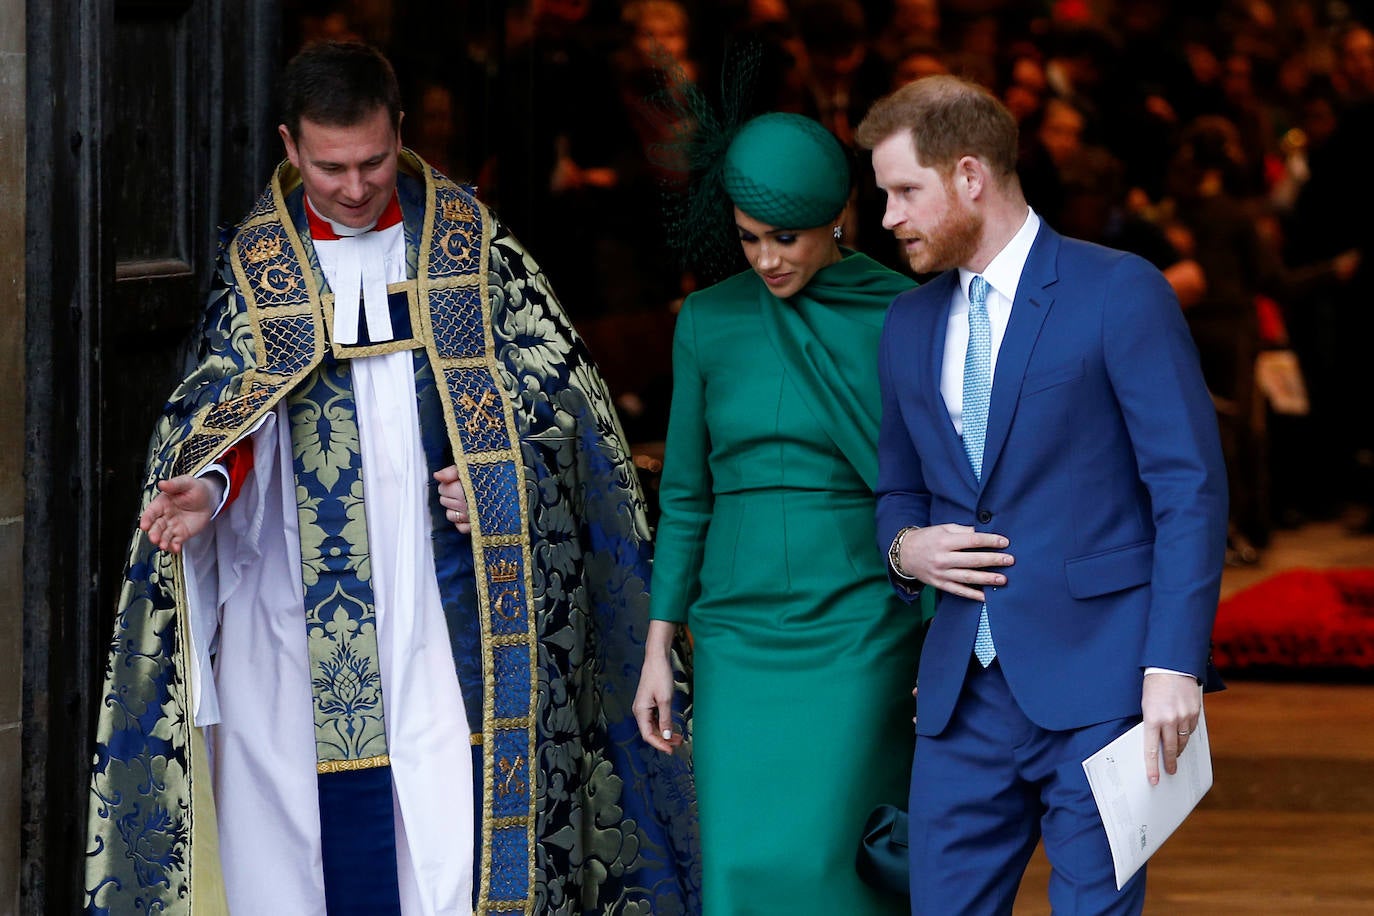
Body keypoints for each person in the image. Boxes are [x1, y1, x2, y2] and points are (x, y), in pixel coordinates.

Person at [84, 41, 698, 916]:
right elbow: (229, 399)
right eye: (330, 166)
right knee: (293, 844)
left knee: (452, 838)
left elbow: (566, 406)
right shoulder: (259, 265)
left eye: (374, 161)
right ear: (290, 147)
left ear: (401, 134)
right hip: (289, 615)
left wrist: (499, 477)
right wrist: (207, 484)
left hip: (441, 609)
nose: (355, 186)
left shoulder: (471, 246)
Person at [854, 75, 1227, 913]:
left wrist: (1173, 663)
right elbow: (896, 489)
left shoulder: (1120, 290)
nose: (889, 218)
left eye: (905, 191)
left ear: (971, 177)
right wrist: (904, 548)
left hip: (1106, 682)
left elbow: (1188, 486)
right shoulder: (907, 323)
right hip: (960, 697)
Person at [634, 112, 924, 914]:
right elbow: (688, 495)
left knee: (836, 865)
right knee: (740, 864)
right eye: (750, 237)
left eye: (787, 239)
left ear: (837, 218)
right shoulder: (707, 320)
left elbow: (937, 488)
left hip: (863, 623)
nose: (767, 259)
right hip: (736, 631)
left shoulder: (905, 314)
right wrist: (660, 645)